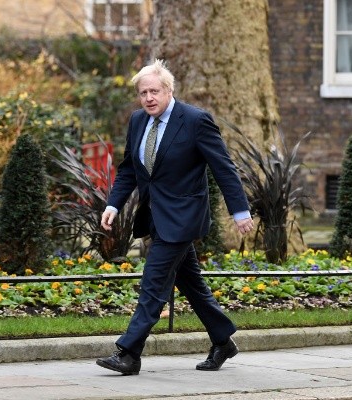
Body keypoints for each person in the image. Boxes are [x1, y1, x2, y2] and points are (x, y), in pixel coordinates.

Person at [96, 59, 254, 375]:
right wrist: (113, 204)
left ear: (169, 90)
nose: (148, 98)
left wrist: (240, 211)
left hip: (184, 217)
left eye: (154, 91)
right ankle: (223, 340)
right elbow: (129, 168)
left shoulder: (195, 121)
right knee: (191, 284)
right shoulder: (138, 121)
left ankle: (129, 353)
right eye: (143, 93)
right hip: (155, 216)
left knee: (153, 283)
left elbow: (223, 167)